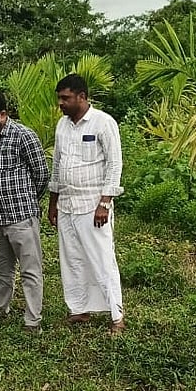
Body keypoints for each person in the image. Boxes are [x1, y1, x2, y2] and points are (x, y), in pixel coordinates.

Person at [47, 73, 126, 335]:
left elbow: (114, 164)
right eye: (59, 98)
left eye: (65, 98)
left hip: (93, 205)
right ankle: (78, 309)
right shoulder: (62, 126)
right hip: (67, 204)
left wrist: (105, 202)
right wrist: (53, 201)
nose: (61, 103)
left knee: (102, 259)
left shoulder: (103, 123)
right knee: (72, 259)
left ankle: (116, 315)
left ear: (82, 97)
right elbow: (57, 166)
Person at [0, 89, 50, 334]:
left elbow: (41, 174)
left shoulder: (23, 136)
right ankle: (0, 306)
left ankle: (32, 320)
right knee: (0, 266)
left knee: (30, 269)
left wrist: (28, 202)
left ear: (3, 114)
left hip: (21, 216)